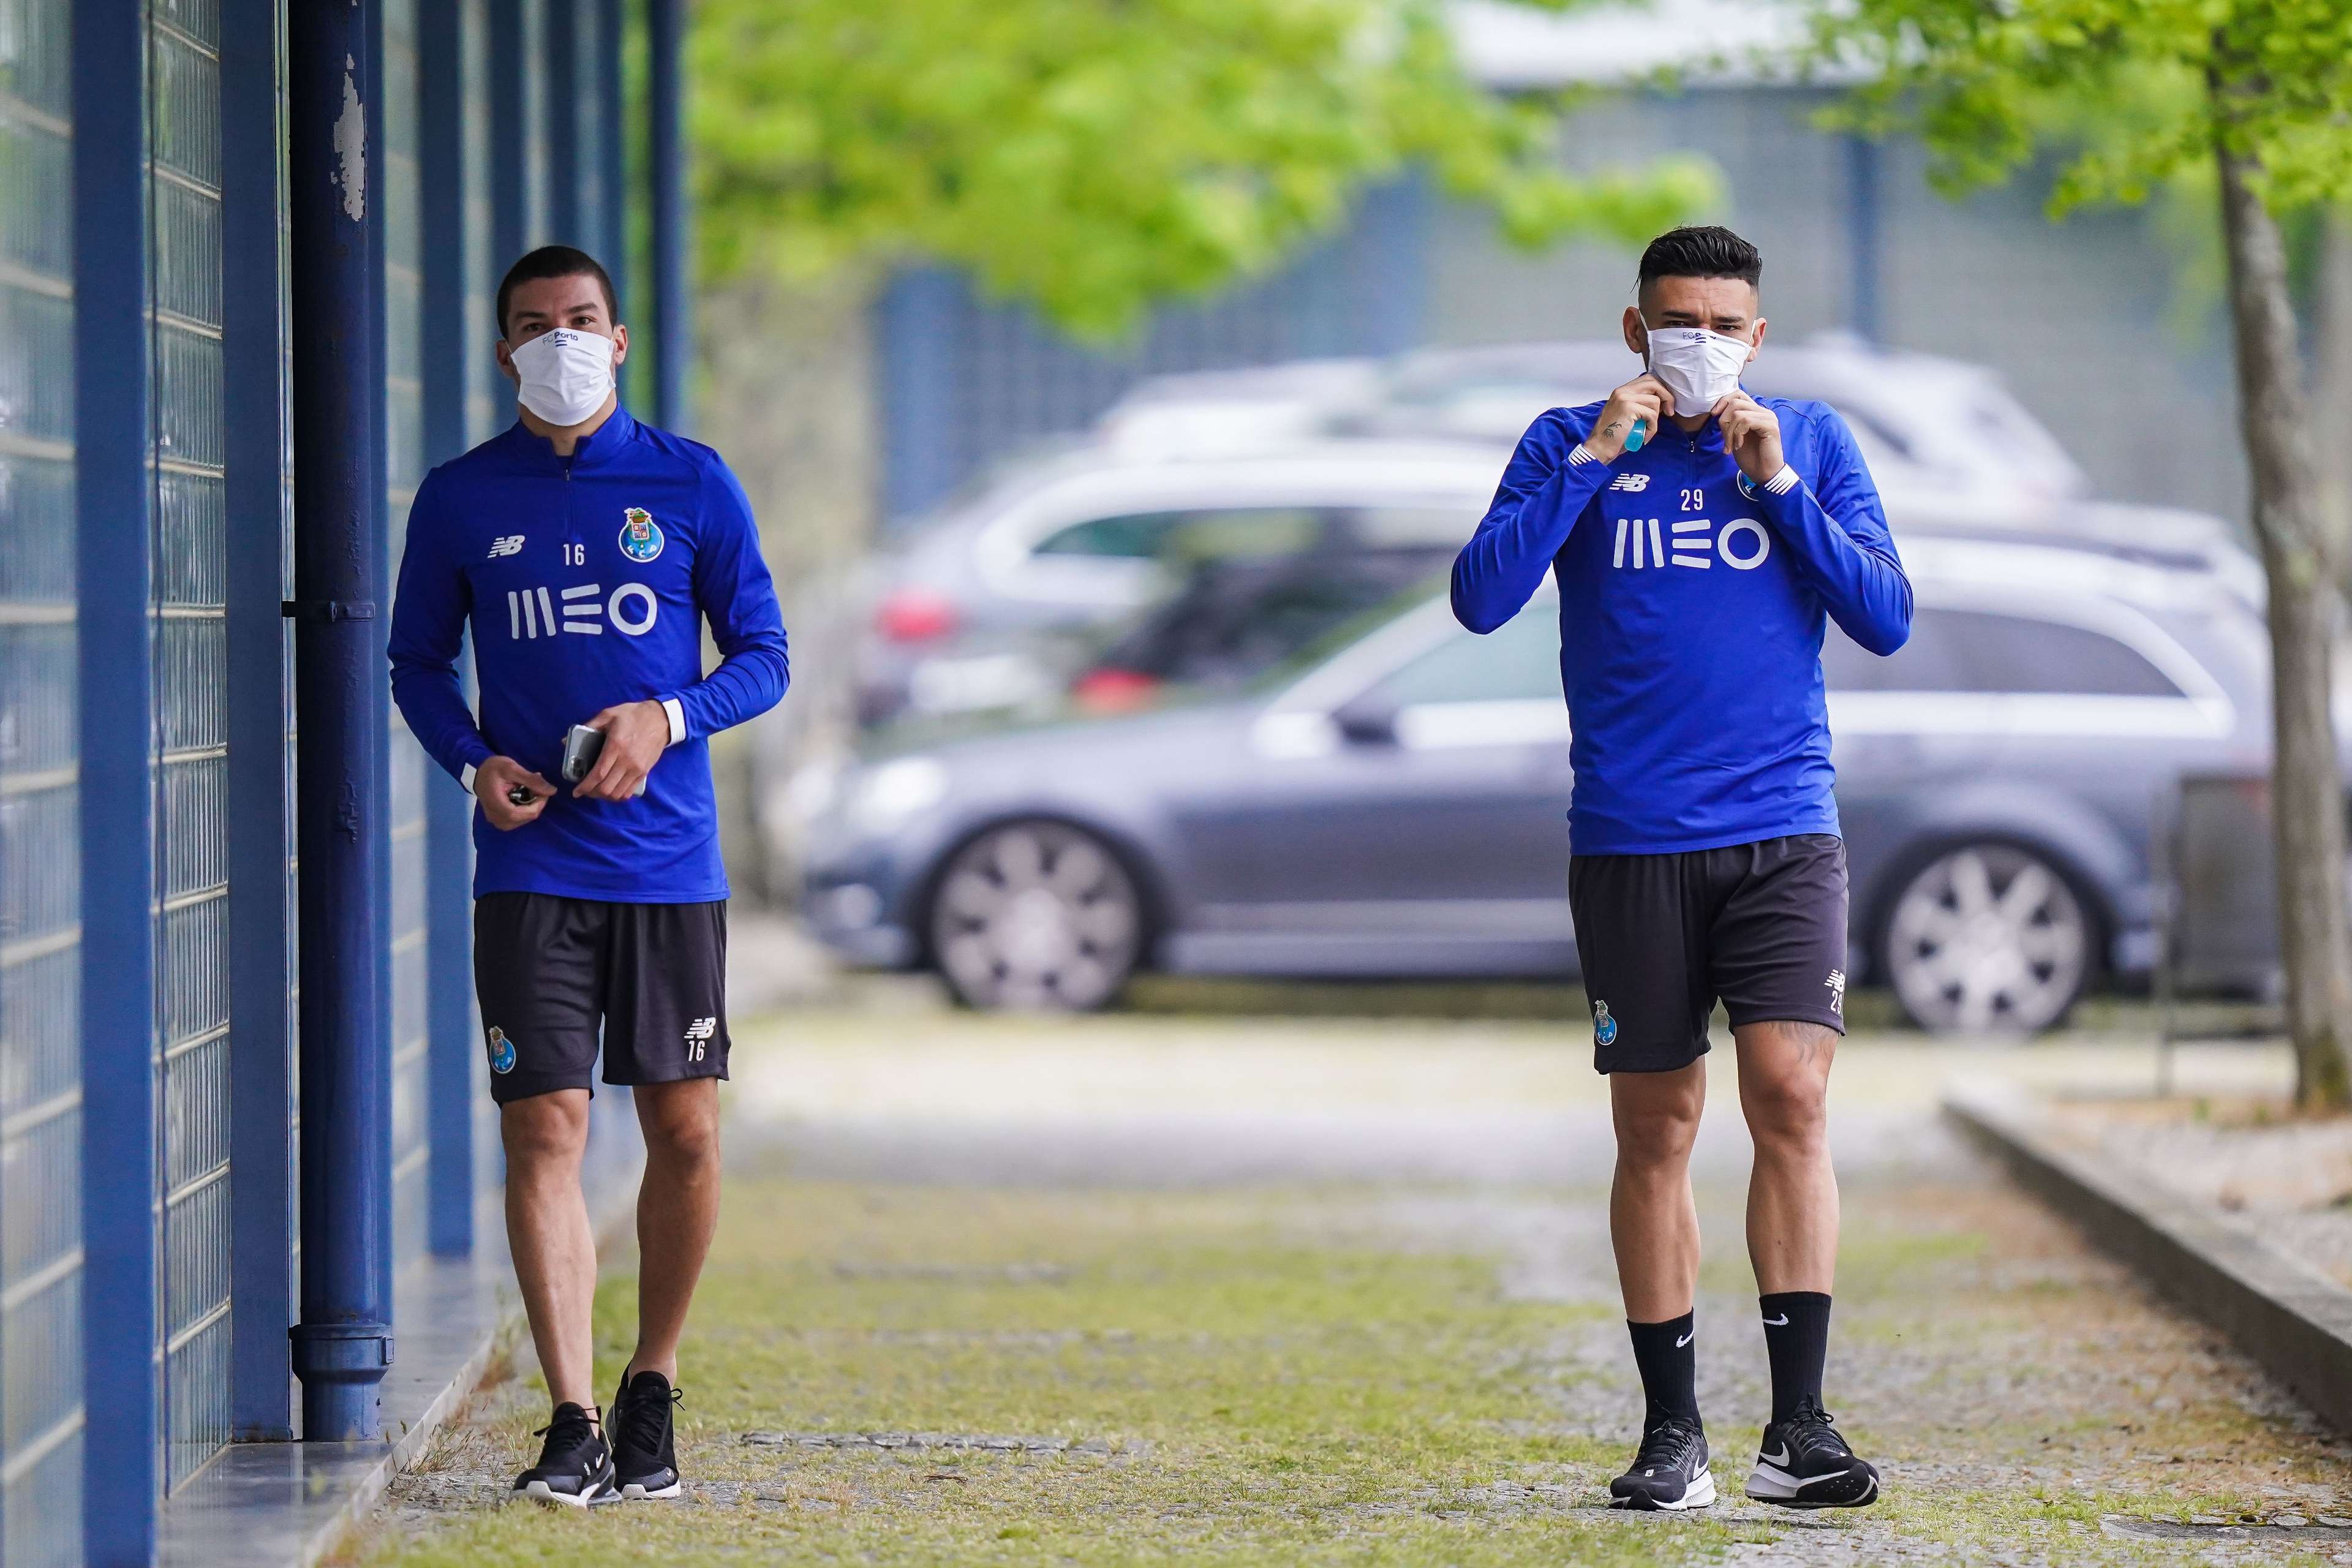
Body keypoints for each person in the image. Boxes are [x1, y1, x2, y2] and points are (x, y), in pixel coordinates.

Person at [1450, 225, 1911, 1512]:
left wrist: (1778, 489)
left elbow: (1886, 613)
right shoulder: (1569, 441)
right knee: (1655, 1123)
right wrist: (1596, 459)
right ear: (1635, 329)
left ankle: (1800, 1427)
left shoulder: (1810, 441)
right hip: (1632, 838)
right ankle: (1672, 1436)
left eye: (1722, 321)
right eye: (1674, 320)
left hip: (1781, 828)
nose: (1697, 340)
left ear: (1757, 336)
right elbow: (1480, 597)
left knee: (1792, 1094)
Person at [389, 244, 790, 1506]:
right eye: (532, 324)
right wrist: (470, 763)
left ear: (617, 340)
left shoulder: (690, 482)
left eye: (579, 321)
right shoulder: (459, 497)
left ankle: (651, 1381)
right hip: (530, 864)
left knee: (682, 1125)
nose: (557, 341)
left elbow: (766, 654)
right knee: (545, 1124)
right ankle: (570, 1415)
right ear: (502, 349)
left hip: (669, 866)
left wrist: (664, 718)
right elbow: (412, 662)